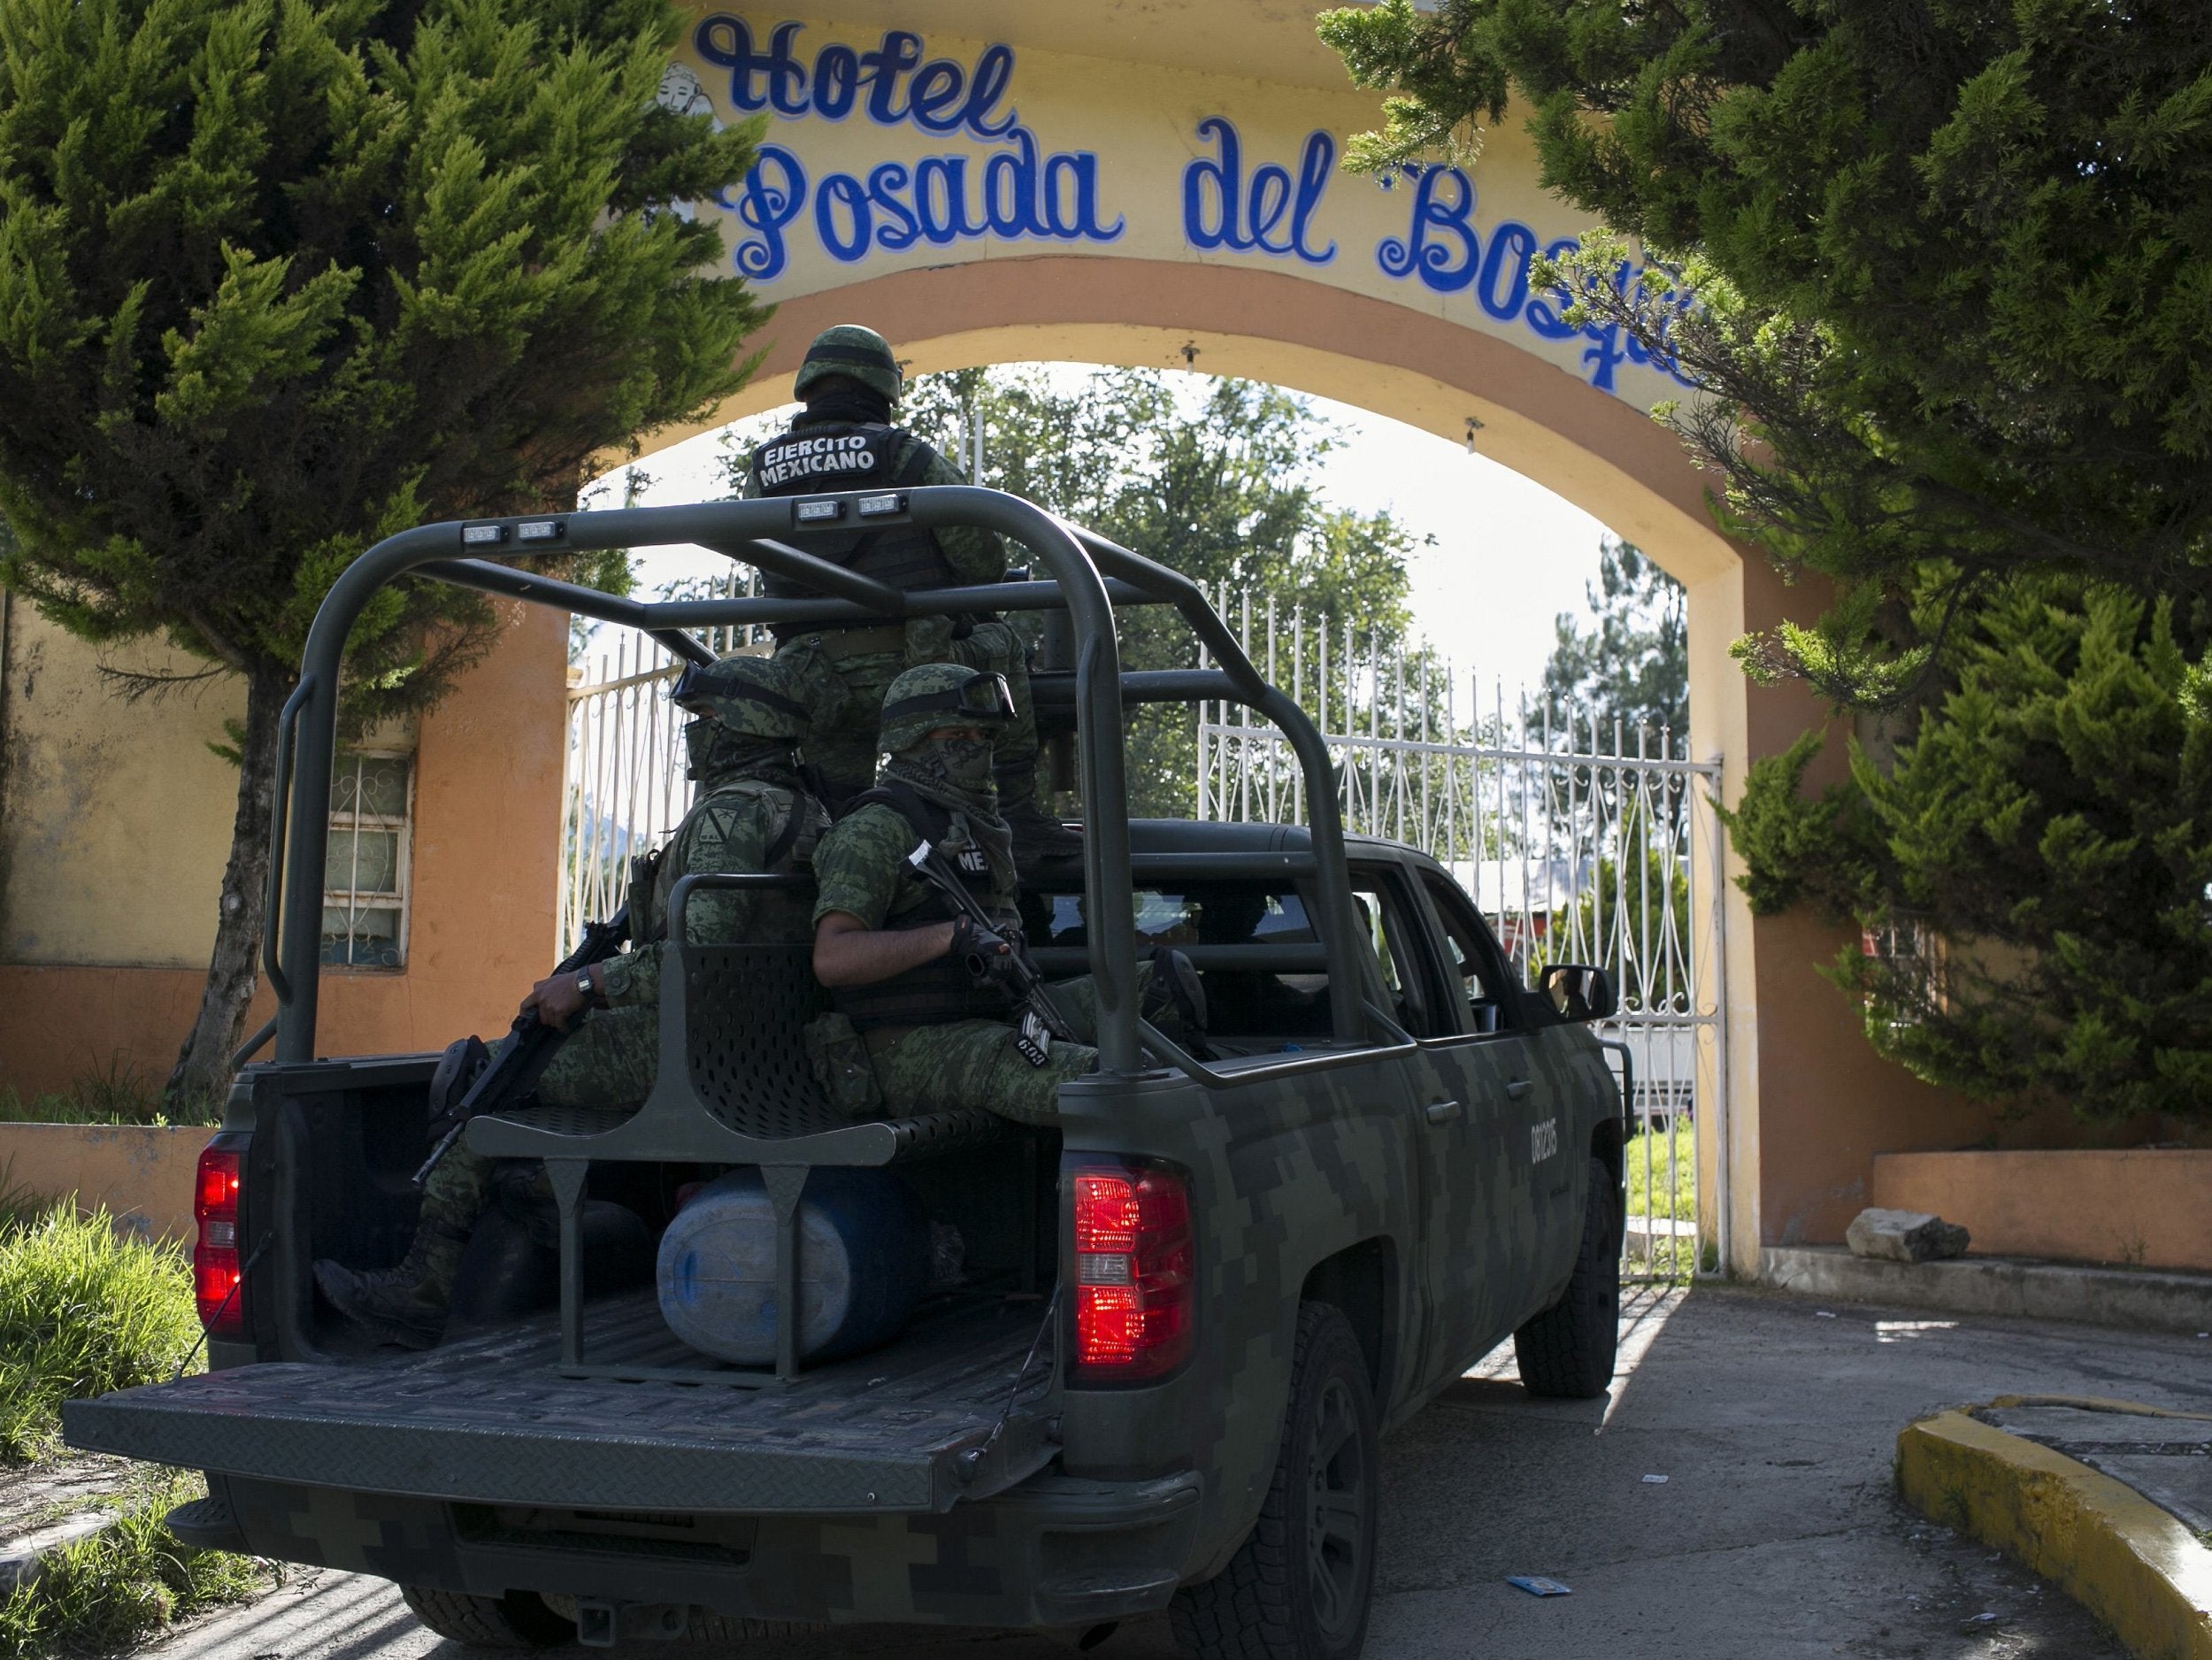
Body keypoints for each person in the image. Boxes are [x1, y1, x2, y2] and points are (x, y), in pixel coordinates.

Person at [313, 654, 829, 1348]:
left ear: (740, 727)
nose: (692, 735)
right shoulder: (807, 809)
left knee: (486, 1077)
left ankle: (424, 1285)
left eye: (702, 720)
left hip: (683, 1050)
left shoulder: (728, 815)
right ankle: (529, 1207)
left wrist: (586, 985)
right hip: (756, 1048)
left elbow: (696, 961)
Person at [807, 664, 1203, 1127]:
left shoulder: (974, 823)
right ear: (912, 739)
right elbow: (833, 959)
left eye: (984, 734)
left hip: (996, 1015)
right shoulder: (876, 827)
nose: (978, 747)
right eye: (959, 733)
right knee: (1104, 1086)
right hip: (905, 1046)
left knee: (1164, 983)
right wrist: (950, 936)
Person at [743, 323, 1079, 864]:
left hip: (811, 676)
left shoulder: (761, 472)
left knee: (838, 816)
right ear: (882, 388)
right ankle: (1017, 816)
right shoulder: (905, 456)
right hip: (917, 670)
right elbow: (982, 560)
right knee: (1000, 642)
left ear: (810, 386)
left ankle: (836, 868)